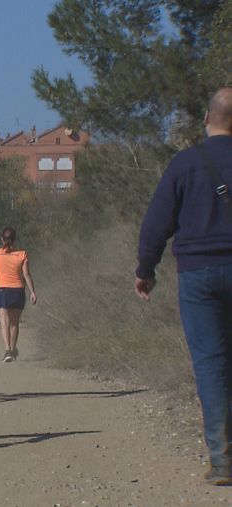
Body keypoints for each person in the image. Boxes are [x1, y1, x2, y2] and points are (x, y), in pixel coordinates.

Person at [135, 87, 232, 486]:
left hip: (198, 275)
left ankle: (223, 461)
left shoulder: (185, 163)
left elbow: (157, 222)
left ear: (207, 119)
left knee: (211, 364)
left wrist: (146, 269)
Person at [0, 227, 37, 362]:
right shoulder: (22, 254)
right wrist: (32, 291)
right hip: (17, 290)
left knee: (4, 322)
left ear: (1, 239)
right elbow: (26, 274)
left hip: (1, 289)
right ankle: (13, 349)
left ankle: (8, 350)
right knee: (15, 323)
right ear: (14, 240)